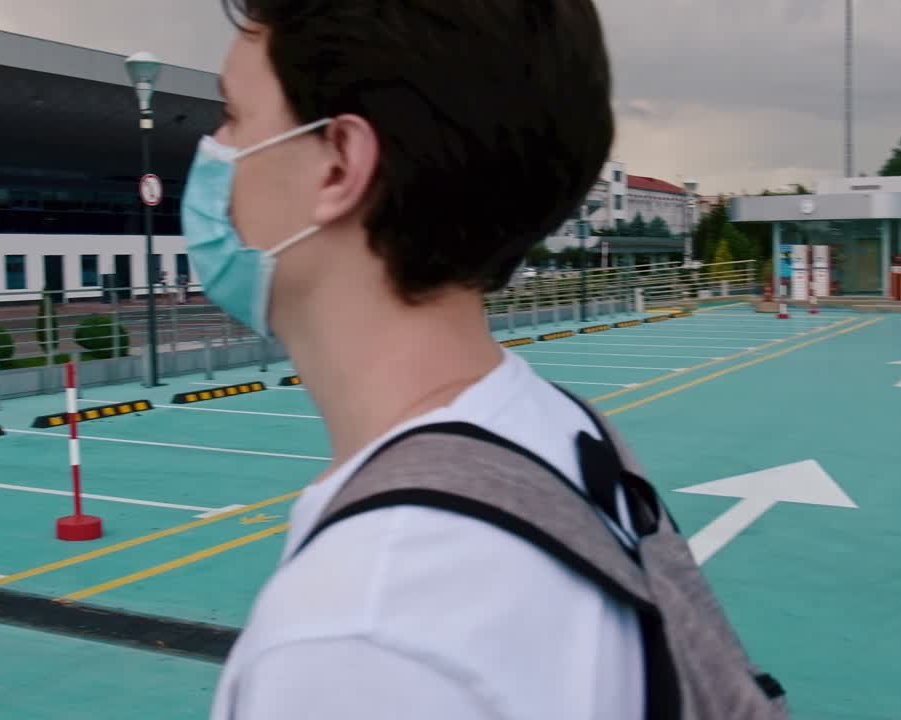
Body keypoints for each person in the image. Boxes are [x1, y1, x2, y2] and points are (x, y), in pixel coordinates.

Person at [181, 1, 640, 718]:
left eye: (234, 116)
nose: (214, 149)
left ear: (338, 164)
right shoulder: (568, 436)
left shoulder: (364, 632)